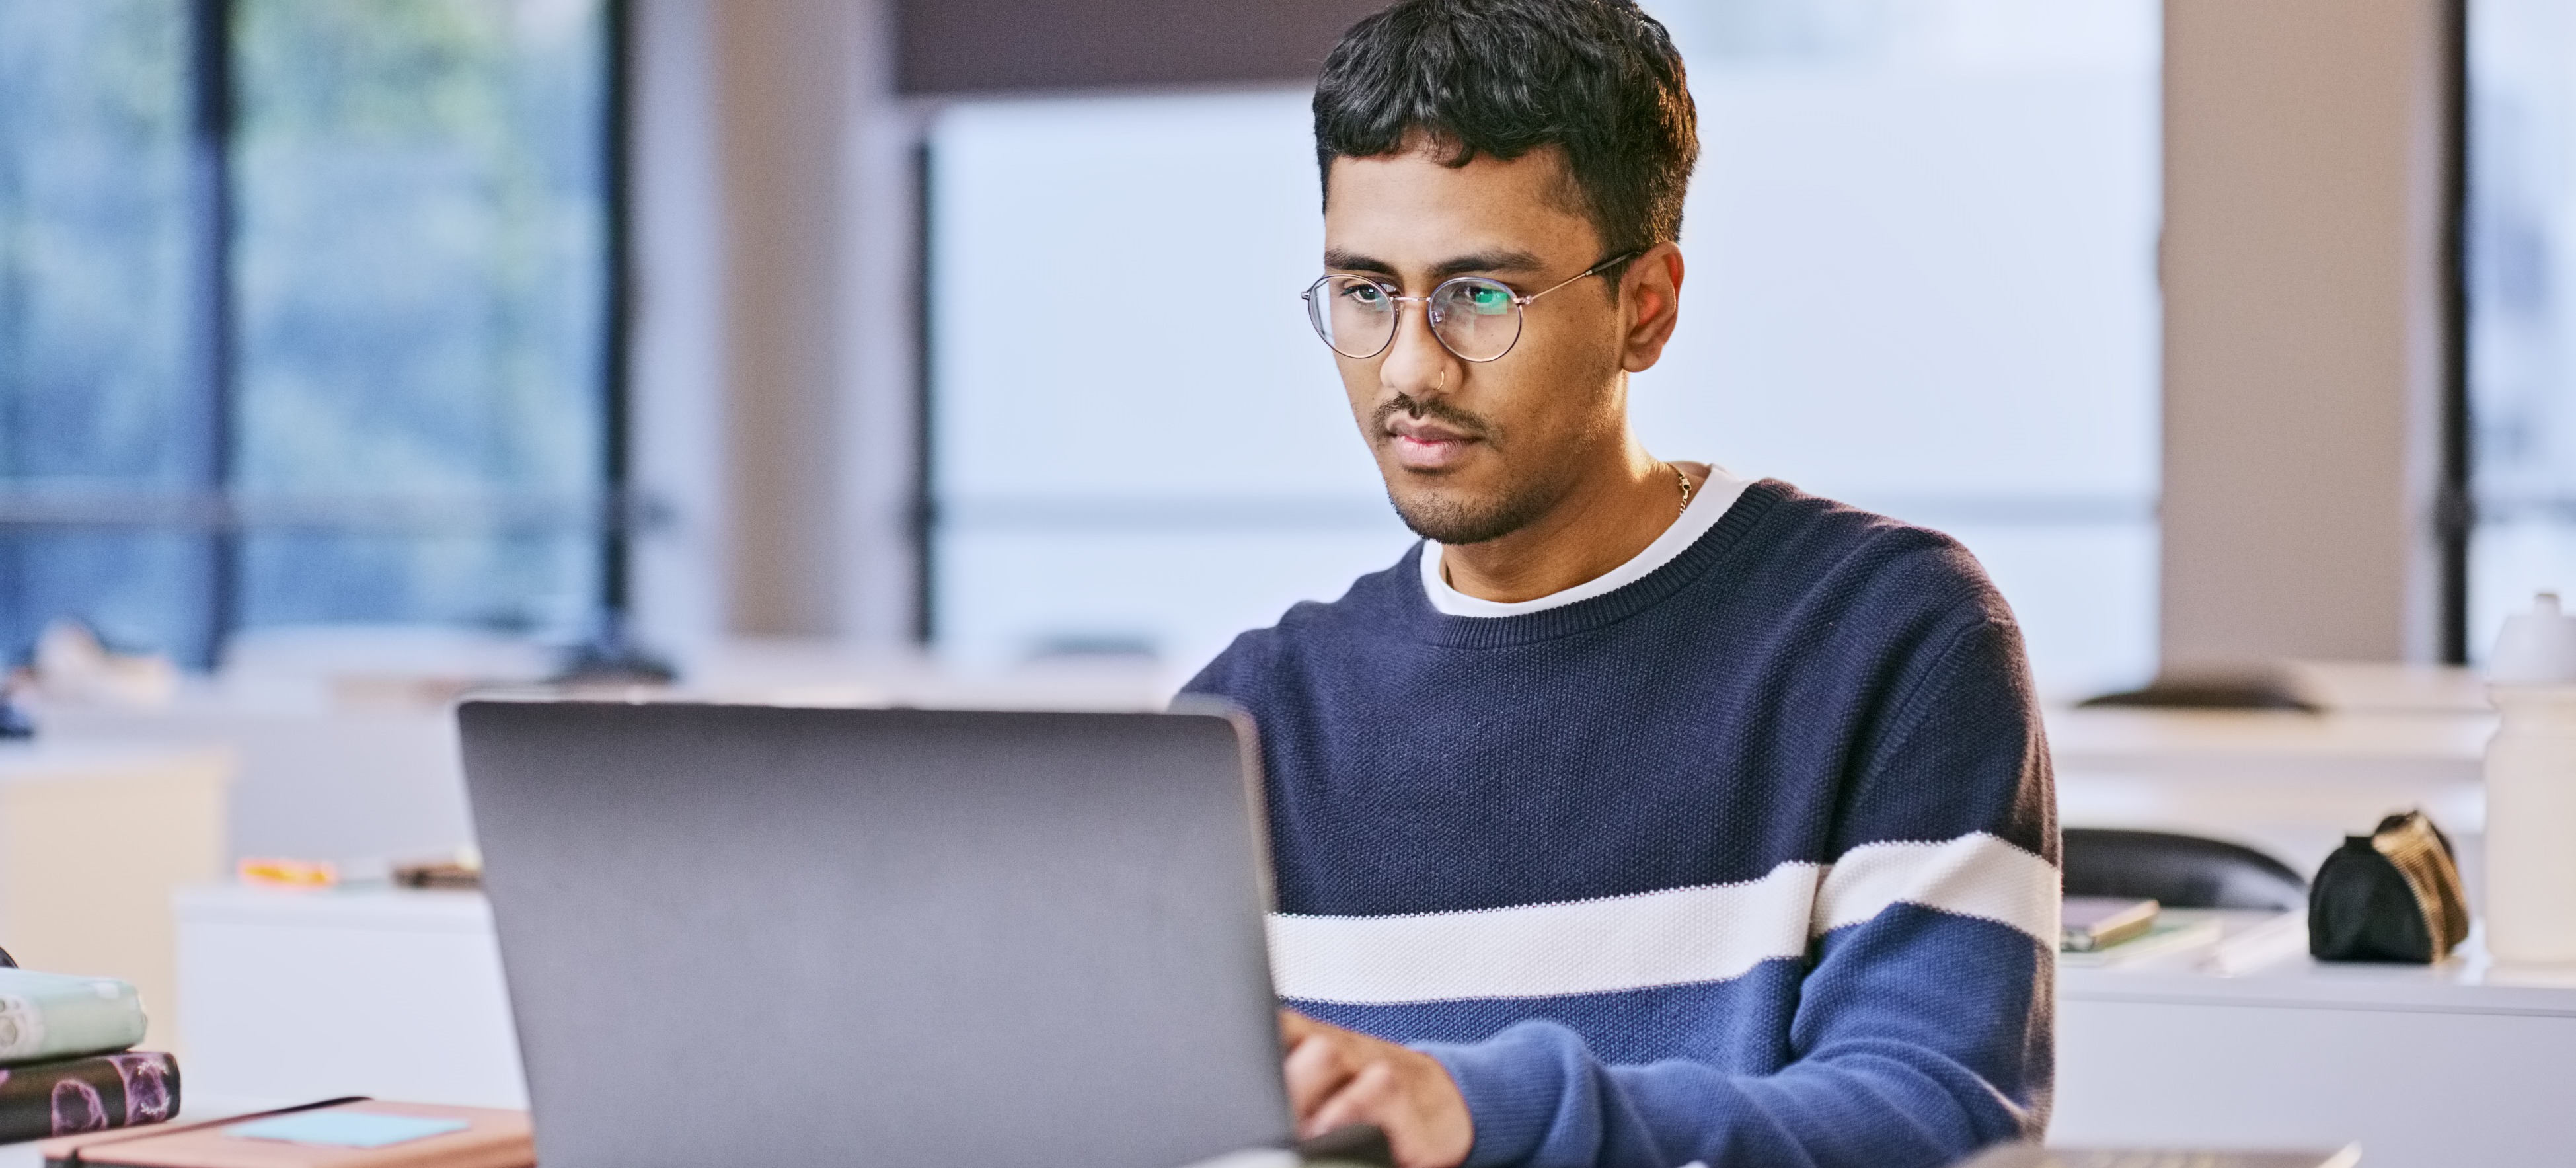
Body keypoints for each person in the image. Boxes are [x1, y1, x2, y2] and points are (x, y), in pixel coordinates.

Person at [1179, 3, 2058, 1166]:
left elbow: (1932, 1121)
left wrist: (1483, 1110)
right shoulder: (1247, 718)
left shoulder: (1892, 638)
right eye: (1365, 293)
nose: (1408, 366)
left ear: (1643, 307)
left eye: (1479, 297)